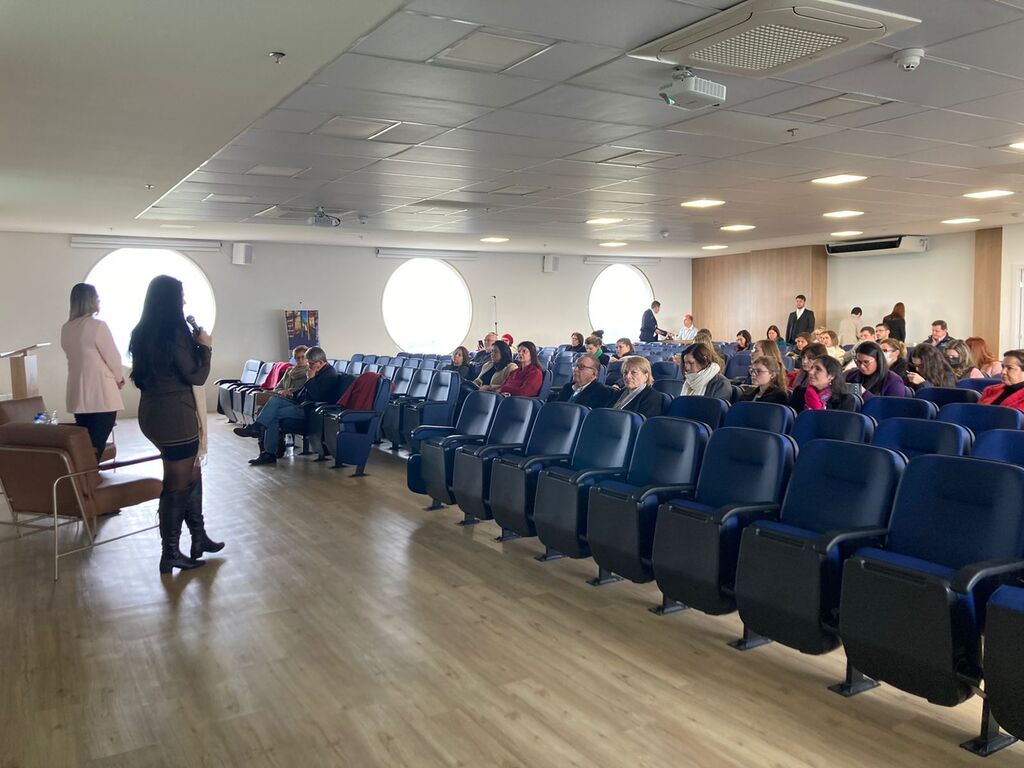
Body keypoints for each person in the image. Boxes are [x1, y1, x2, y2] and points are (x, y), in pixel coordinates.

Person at [128, 275, 219, 574]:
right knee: (176, 485)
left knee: (192, 472)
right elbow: (196, 376)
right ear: (170, 298)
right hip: (175, 416)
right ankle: (170, 554)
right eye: (181, 295)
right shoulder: (174, 331)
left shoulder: (142, 331)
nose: (184, 300)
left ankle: (198, 537)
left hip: (152, 412)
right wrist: (204, 347)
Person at [235, 346, 341, 466]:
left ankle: (267, 450)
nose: (309, 366)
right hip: (300, 403)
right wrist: (292, 393)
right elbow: (304, 392)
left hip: (310, 410)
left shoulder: (329, 375)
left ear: (321, 362)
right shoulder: (318, 370)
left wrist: (310, 379)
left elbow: (318, 397)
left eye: (311, 363)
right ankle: (258, 428)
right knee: (275, 400)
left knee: (273, 415)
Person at [60, 283, 124, 461]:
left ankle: (82, 479)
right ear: (90, 301)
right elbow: (112, 357)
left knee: (85, 442)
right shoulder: (97, 326)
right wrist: (119, 378)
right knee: (96, 443)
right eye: (96, 297)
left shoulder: (67, 328)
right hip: (101, 393)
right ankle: (89, 479)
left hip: (78, 394)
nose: (99, 300)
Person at [250, 345, 311, 418]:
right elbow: (277, 388)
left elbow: (305, 391)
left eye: (303, 357)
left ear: (307, 358)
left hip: (295, 400)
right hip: (283, 396)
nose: (300, 360)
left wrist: (291, 393)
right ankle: (260, 427)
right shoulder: (289, 370)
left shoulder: (310, 372)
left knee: (266, 406)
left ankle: (257, 426)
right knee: (263, 394)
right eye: (297, 358)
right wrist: (282, 392)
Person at [791, 355, 857, 413]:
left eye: (818, 369)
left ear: (831, 376)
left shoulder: (845, 400)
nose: (810, 372)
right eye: (811, 368)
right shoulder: (799, 392)